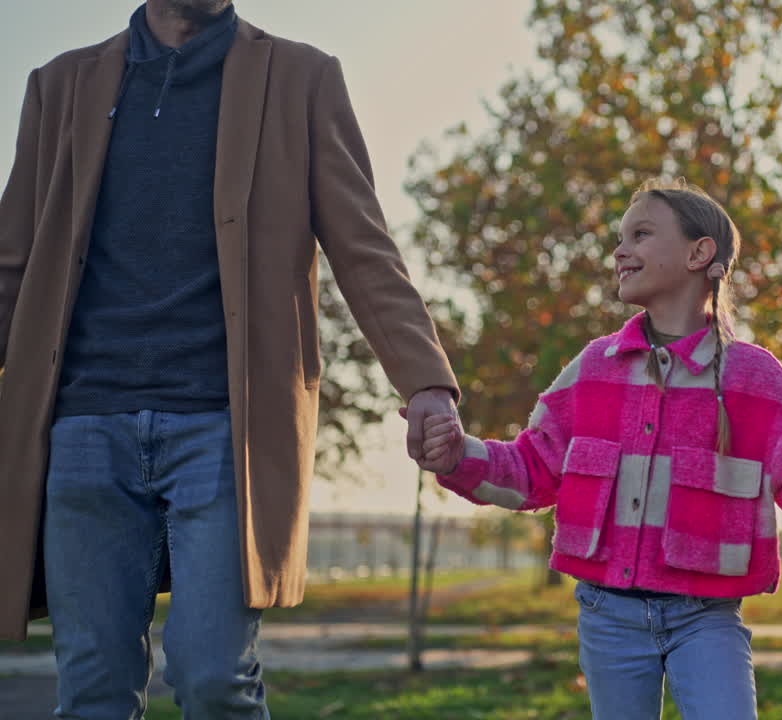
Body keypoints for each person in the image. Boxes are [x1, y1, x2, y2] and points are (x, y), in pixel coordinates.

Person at [0, 1, 459, 717]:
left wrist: (426, 383)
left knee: (213, 676)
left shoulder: (300, 78)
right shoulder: (59, 84)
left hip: (228, 429)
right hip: (84, 423)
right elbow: (12, 263)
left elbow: (363, 247)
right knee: (91, 686)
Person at [415, 178, 782, 720]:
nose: (620, 250)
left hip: (707, 619)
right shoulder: (593, 368)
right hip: (607, 617)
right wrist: (460, 455)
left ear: (700, 253)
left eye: (641, 234)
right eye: (621, 238)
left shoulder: (754, 379)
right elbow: (530, 468)